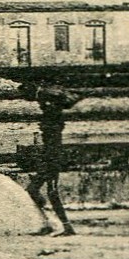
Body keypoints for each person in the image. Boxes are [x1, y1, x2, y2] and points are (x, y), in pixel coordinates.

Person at [22, 82, 81, 236]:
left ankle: (66, 226)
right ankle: (46, 223)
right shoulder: (52, 123)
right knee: (32, 190)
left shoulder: (52, 126)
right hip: (49, 160)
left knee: (51, 192)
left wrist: (46, 163)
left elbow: (52, 150)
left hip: (51, 161)